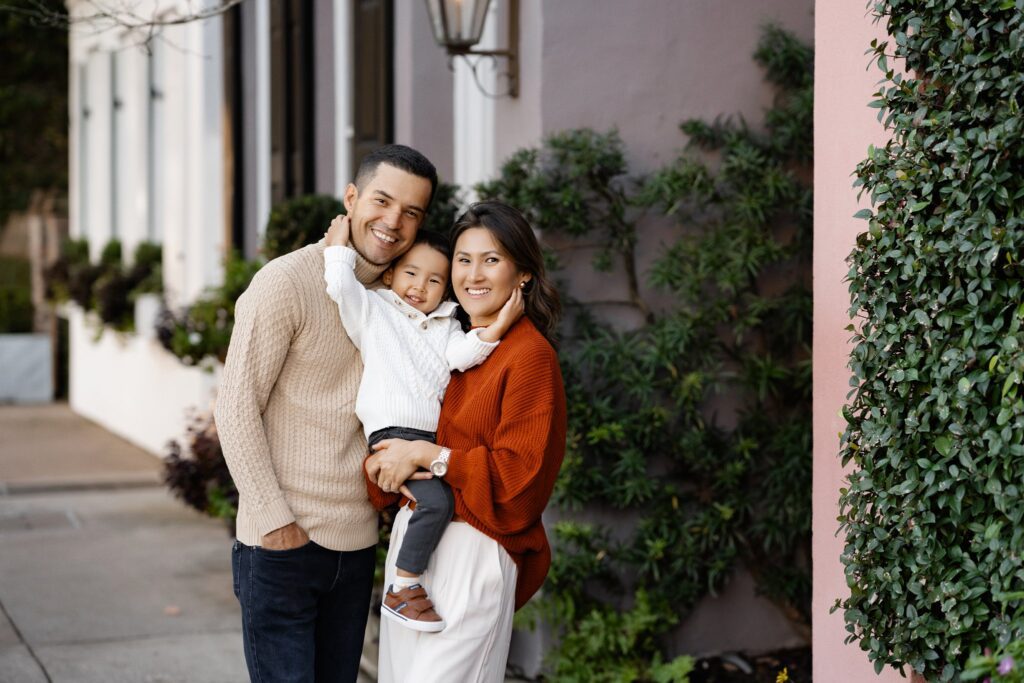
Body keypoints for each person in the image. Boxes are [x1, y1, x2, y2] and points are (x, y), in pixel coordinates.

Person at [214, 144, 437, 683]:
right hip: (284, 545)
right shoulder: (286, 282)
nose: (393, 222)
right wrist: (274, 521)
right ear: (353, 198)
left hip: (357, 546)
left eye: (412, 212)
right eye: (382, 201)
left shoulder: (403, 301)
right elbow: (235, 405)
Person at [364, 200, 567, 682]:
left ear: (523, 275)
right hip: (413, 553)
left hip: (474, 551)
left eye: (491, 260)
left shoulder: (529, 358)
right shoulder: (445, 344)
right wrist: (382, 467)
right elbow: (397, 434)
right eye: (463, 259)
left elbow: (522, 481)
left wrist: (431, 457)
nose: (473, 274)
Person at [321, 213, 523, 632]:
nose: (420, 287)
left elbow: (463, 357)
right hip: (393, 435)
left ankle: (408, 582)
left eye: (434, 280)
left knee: (443, 499)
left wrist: (498, 326)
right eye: (411, 273)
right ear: (391, 273)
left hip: (428, 438)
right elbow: (341, 287)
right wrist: (339, 246)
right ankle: (403, 587)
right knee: (437, 503)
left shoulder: (448, 323)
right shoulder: (375, 311)